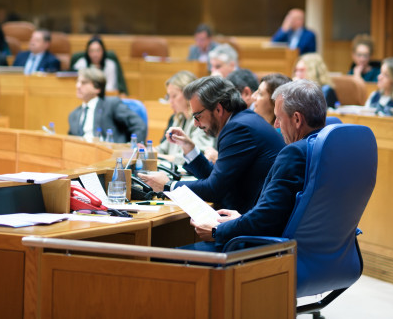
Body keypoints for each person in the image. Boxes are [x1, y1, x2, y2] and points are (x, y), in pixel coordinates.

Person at [187, 79, 326, 250]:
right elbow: (275, 212)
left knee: (163, 260)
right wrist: (241, 218)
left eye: (279, 118)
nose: (276, 125)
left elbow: (265, 220)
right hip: (322, 249)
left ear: (297, 119)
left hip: (266, 249)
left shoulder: (295, 153)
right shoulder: (327, 146)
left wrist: (218, 231)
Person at [139, 76, 285, 214]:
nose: (196, 124)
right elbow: (218, 179)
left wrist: (169, 185)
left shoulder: (239, 129)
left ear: (218, 109)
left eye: (198, 116)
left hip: (250, 229)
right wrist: (189, 149)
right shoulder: (242, 121)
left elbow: (214, 189)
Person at [68, 68, 147, 142]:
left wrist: (132, 147)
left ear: (97, 88)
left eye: (83, 83)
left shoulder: (112, 105)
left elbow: (139, 125)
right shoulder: (74, 115)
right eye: (77, 82)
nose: (77, 86)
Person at [157, 71, 216, 165]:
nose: (170, 101)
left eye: (174, 96)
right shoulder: (179, 117)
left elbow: (197, 155)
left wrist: (159, 157)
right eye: (169, 96)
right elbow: (164, 148)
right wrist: (148, 151)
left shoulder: (200, 120)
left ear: (188, 95)